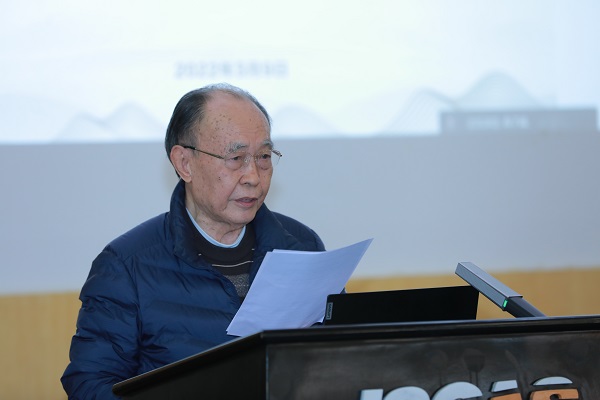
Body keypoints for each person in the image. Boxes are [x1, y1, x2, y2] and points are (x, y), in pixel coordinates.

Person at [61, 83, 325, 399]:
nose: (253, 176)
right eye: (236, 157)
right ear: (185, 163)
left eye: (264, 156)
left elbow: (332, 359)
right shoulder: (127, 266)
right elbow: (90, 385)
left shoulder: (302, 246)